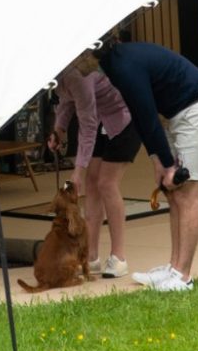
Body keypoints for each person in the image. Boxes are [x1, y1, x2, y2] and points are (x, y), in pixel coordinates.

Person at [88, 39, 198, 292]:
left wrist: (167, 164)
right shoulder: (116, 61)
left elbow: (148, 115)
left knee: (186, 193)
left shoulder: (121, 65)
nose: (71, 67)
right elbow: (139, 116)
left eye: (73, 59)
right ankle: (174, 268)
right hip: (181, 113)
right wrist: (158, 161)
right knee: (172, 192)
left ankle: (183, 277)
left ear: (88, 51)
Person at [49, 57, 135, 278]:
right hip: (101, 122)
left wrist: (78, 169)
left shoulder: (76, 77)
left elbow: (87, 125)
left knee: (107, 183)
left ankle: (119, 257)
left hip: (124, 121)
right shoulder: (58, 77)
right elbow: (67, 103)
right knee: (92, 185)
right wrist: (59, 129)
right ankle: (91, 256)